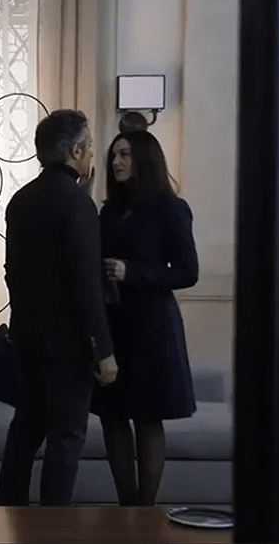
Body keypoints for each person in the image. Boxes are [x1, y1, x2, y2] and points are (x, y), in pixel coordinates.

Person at [0, 109, 118, 507]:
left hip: (26, 336)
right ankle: (53, 525)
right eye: (89, 147)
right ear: (76, 151)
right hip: (69, 345)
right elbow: (85, 283)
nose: (92, 154)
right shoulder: (78, 205)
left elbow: (12, 272)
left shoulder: (20, 200)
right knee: (66, 437)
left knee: (25, 429)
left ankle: (7, 516)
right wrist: (103, 349)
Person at [91, 131, 199, 506]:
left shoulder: (171, 209)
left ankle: (146, 509)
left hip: (153, 327)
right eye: (113, 155)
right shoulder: (109, 211)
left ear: (145, 159)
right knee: (112, 415)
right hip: (114, 325)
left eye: (125, 155)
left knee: (148, 417)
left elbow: (188, 272)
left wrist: (132, 272)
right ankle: (127, 507)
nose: (116, 162)